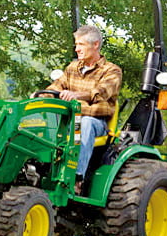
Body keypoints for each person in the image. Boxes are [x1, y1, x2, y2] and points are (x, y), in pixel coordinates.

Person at [44, 25, 122, 195]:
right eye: (76, 44)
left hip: (96, 122)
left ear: (95, 45)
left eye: (81, 44)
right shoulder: (73, 68)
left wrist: (76, 96)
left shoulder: (111, 71)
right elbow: (56, 87)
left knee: (83, 123)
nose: (77, 49)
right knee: (42, 120)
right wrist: (41, 97)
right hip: (67, 119)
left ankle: (76, 179)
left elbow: (102, 93)